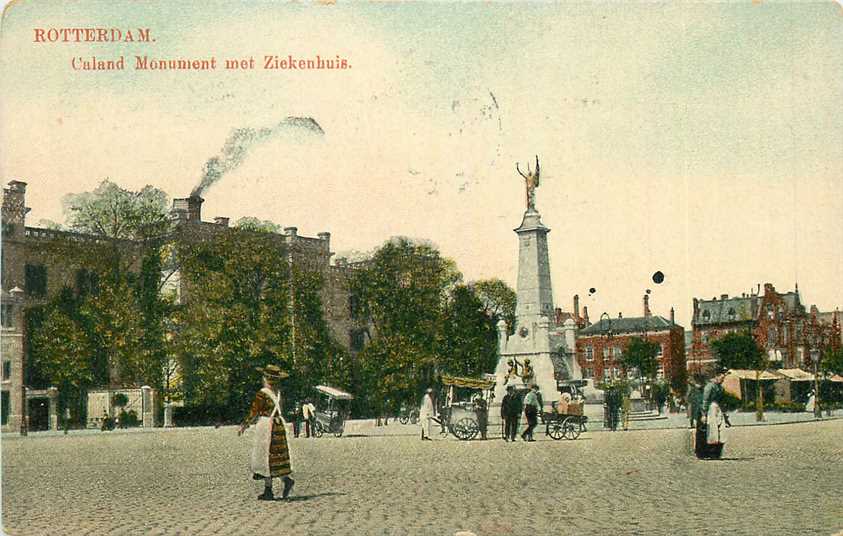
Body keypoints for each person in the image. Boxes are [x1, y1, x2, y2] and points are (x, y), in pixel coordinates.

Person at [238, 364, 295, 501]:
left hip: (266, 426)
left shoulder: (262, 394)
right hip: (278, 425)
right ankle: (283, 481)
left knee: (265, 457)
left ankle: (269, 490)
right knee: (276, 457)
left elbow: (254, 411)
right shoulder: (279, 394)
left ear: (265, 378)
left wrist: (244, 425)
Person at [696, 369, 728, 460]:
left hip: (718, 410)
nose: (722, 380)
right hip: (711, 410)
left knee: (720, 430)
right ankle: (709, 453)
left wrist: (725, 413)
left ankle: (717, 452)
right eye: (721, 378)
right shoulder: (709, 387)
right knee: (712, 431)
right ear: (716, 376)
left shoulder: (720, 388)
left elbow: (722, 401)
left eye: (723, 378)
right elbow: (705, 401)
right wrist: (703, 414)